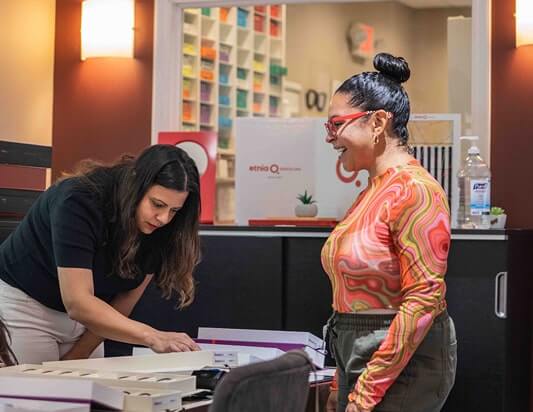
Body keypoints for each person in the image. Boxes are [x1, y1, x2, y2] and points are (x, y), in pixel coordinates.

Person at [322, 53, 457, 412]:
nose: (330, 138)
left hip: (401, 365)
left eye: (336, 125)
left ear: (378, 121)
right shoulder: (372, 191)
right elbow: (347, 298)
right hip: (361, 358)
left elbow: (423, 300)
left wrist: (364, 395)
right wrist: (341, 378)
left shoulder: (416, 190)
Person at [0, 144, 202, 364]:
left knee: (90, 393)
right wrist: (152, 336)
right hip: (27, 305)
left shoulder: (161, 228)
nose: (163, 218)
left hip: (91, 316)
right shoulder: (78, 199)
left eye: (174, 210)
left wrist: (80, 354)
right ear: (135, 186)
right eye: (157, 204)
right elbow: (77, 302)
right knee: (34, 394)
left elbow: (124, 300)